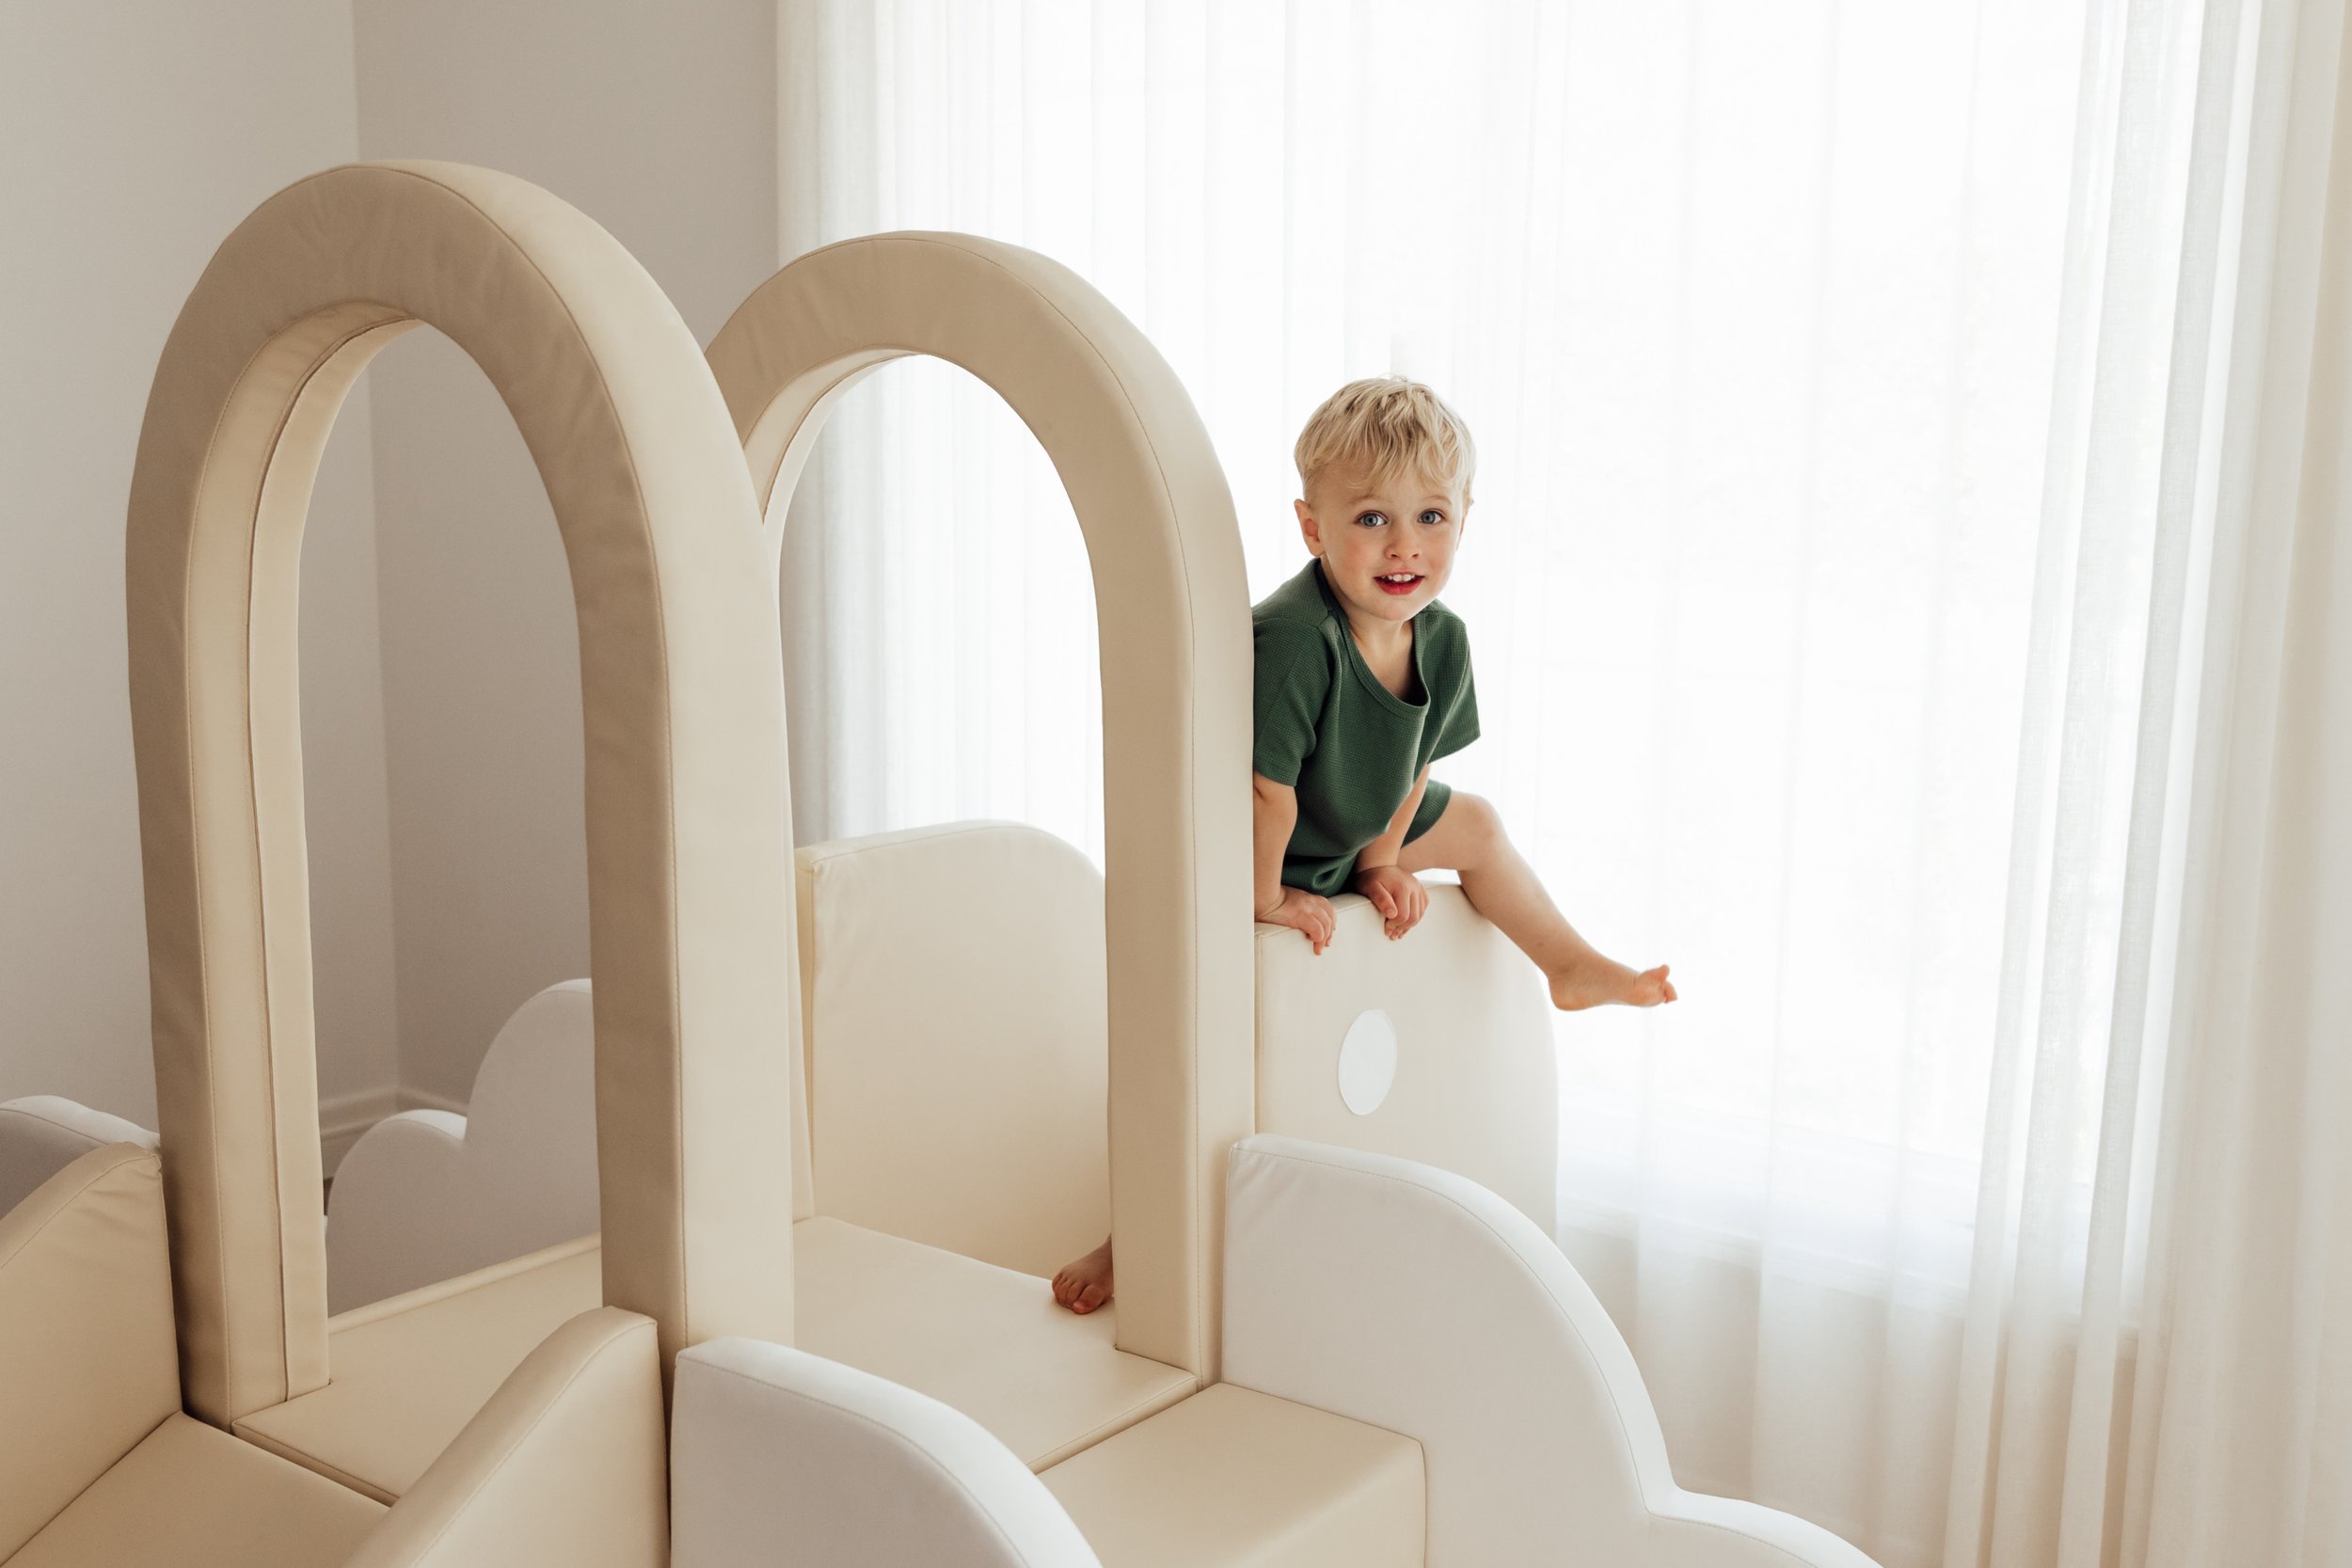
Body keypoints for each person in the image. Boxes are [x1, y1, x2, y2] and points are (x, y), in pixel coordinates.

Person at [1052, 376, 1676, 1316]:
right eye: (1371, 518)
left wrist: (1385, 859)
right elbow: (1264, 791)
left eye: (1430, 515)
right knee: (1224, 1062)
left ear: (1465, 516)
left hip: (1349, 825)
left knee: (1479, 827)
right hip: (1263, 844)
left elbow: (1414, 765)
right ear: (1312, 528)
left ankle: (1568, 961)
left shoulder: (1444, 639)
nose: (1403, 546)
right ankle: (1133, 1229)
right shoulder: (1296, 639)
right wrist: (1263, 895)